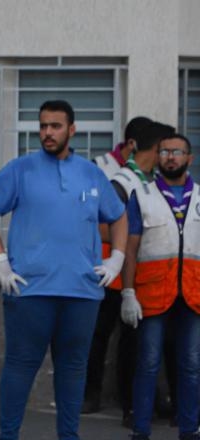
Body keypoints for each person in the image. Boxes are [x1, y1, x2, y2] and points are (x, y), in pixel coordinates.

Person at [0, 100, 128, 440]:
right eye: (43, 126)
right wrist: (0, 261)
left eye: (55, 126)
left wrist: (117, 258)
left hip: (81, 289)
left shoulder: (90, 174)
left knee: (73, 368)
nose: (47, 133)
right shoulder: (21, 169)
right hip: (30, 288)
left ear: (71, 130)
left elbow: (119, 216)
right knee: (20, 365)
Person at [120, 133, 200, 440]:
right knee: (148, 364)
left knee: (192, 366)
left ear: (189, 159)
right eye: (165, 151)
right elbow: (130, 248)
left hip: (194, 295)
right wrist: (127, 292)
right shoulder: (142, 196)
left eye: (177, 152)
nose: (170, 157)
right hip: (152, 295)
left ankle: (190, 435)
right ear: (158, 156)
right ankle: (140, 435)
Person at [83, 116, 153, 418]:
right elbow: (88, 220)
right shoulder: (99, 168)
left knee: (131, 340)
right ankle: (89, 396)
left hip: (133, 271)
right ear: (135, 144)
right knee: (96, 336)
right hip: (101, 270)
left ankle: (131, 403)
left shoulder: (146, 177)